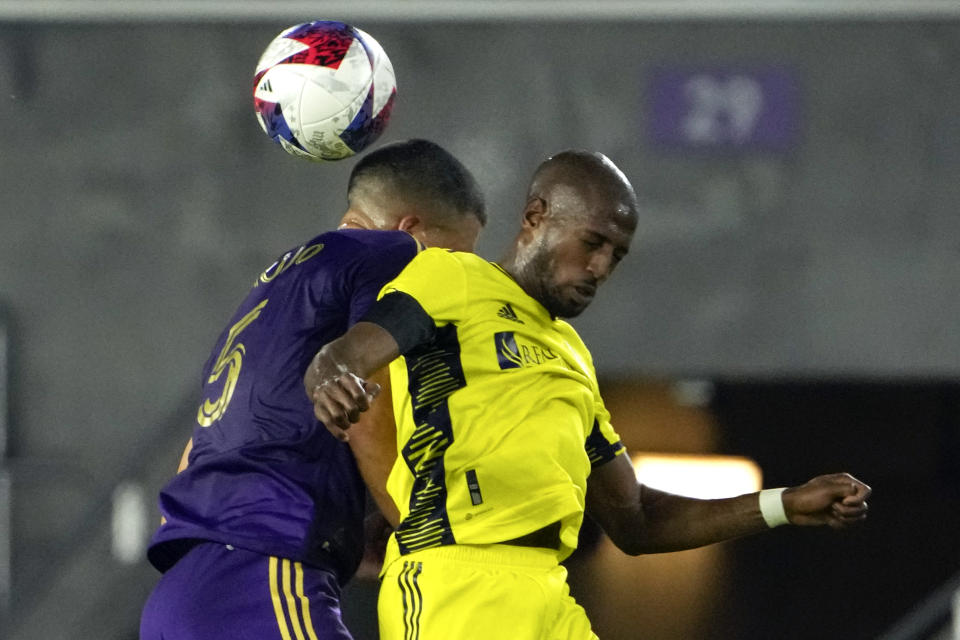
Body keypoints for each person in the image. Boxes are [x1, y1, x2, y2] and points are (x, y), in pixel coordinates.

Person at [304, 149, 872, 640]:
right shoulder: (451, 279)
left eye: (616, 255)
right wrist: (335, 381)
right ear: (535, 217)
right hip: (458, 583)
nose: (601, 267)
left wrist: (785, 504)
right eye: (593, 242)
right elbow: (347, 354)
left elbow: (638, 519)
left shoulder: (570, 352)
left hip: (550, 593)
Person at [139, 139, 486, 640]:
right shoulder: (395, 253)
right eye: (455, 258)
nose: (454, 282)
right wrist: (425, 538)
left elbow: (195, 453)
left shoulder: (272, 289)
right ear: (411, 228)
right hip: (258, 577)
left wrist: (349, 530)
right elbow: (368, 405)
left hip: (185, 588)